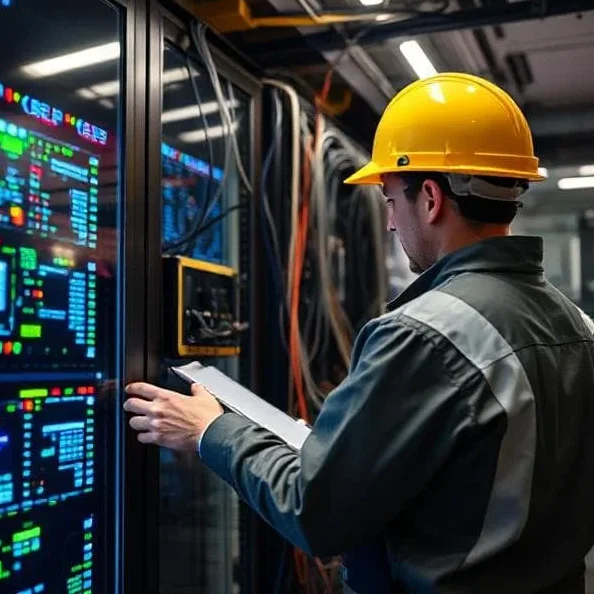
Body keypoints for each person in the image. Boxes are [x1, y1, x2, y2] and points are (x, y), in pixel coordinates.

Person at [124, 73, 594, 593]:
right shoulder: (578, 327)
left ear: (432, 198)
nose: (390, 224)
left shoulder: (425, 334)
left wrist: (210, 430)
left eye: (391, 201)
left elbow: (317, 512)